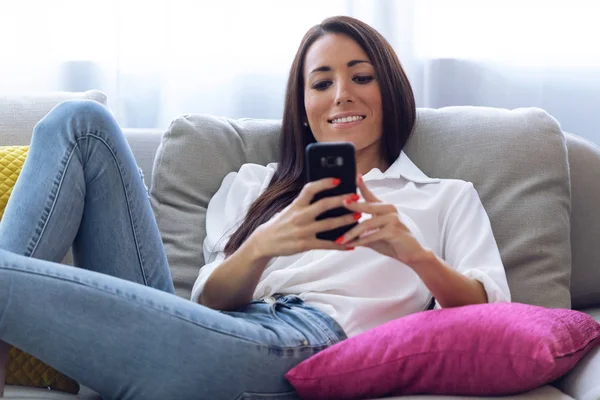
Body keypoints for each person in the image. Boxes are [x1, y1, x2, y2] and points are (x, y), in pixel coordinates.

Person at [0, 15, 510, 400]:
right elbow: (207, 302)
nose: (341, 95)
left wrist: (412, 253)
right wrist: (264, 245)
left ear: (391, 90)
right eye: (322, 82)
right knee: (81, 122)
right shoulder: (254, 184)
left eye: (361, 77)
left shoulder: (444, 196)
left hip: (308, 344)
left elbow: (490, 320)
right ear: (304, 108)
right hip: (205, 328)